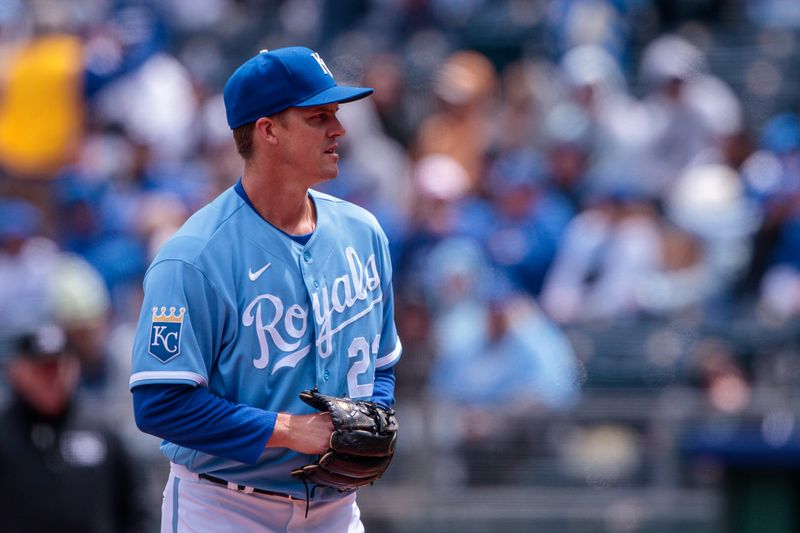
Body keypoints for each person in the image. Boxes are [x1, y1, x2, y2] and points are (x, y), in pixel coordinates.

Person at [129, 46, 402, 532]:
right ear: (268, 130)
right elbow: (160, 404)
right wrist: (290, 431)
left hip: (337, 510)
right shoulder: (193, 257)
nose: (338, 129)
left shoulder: (364, 233)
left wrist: (371, 417)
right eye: (319, 116)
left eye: (336, 114)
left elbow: (382, 365)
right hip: (224, 508)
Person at [0, 323, 150, 533]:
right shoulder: (5, 435)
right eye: (41, 369)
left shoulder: (101, 432)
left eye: (58, 366)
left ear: (75, 368)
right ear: (17, 371)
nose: (52, 378)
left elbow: (136, 508)